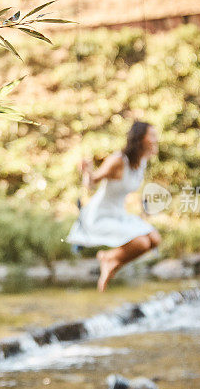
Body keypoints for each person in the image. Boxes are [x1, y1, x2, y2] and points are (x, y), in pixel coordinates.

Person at [66, 120, 161, 291]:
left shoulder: (141, 161)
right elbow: (92, 183)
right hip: (99, 215)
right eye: (152, 135)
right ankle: (108, 259)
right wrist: (87, 170)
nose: (156, 139)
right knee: (141, 243)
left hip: (119, 213)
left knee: (154, 239)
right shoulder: (118, 161)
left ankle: (112, 262)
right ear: (141, 138)